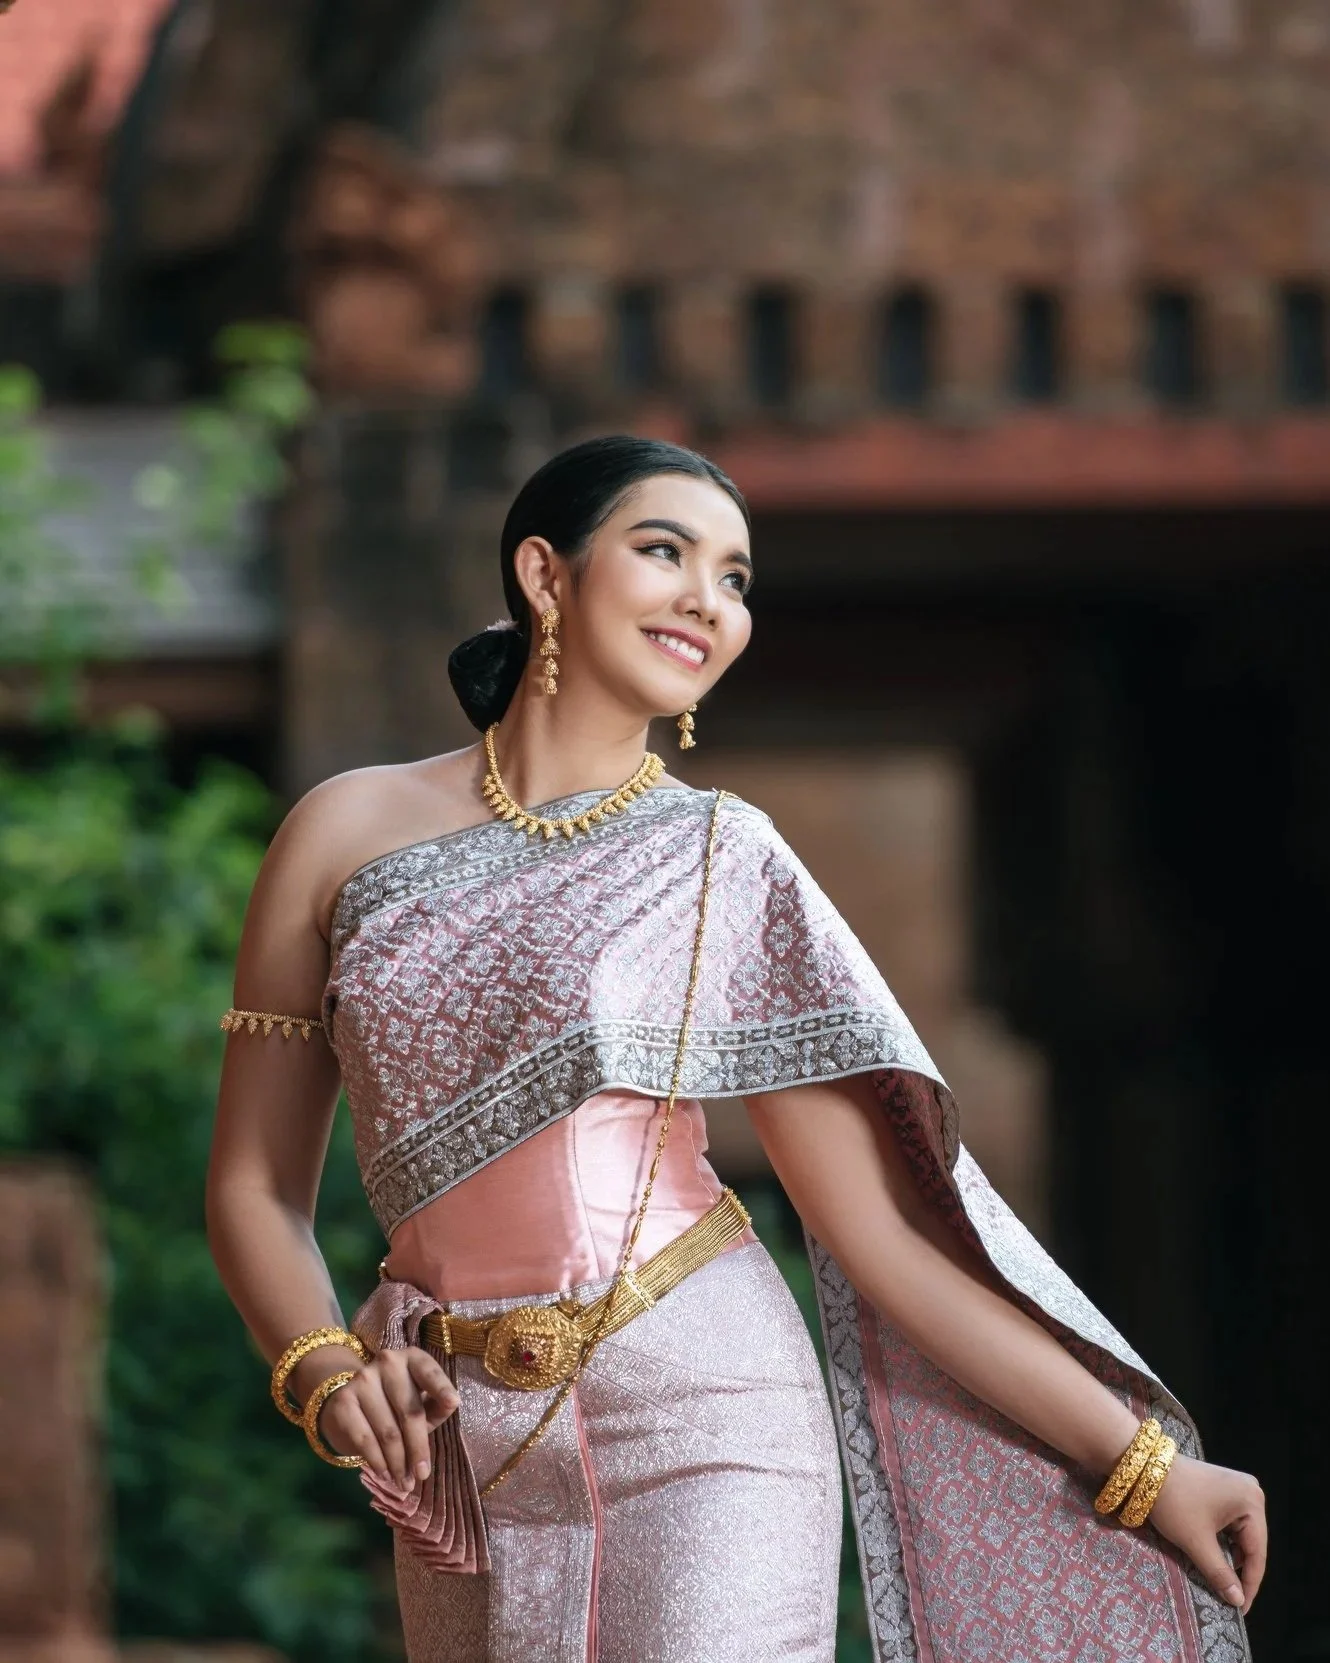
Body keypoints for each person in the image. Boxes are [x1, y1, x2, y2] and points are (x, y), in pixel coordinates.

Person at [206, 435, 1265, 1662]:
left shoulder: (723, 857)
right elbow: (252, 1188)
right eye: (665, 552)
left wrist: (1142, 1467)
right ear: (545, 575)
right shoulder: (339, 831)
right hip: (461, 1446)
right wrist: (327, 1371)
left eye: (737, 577)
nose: (708, 599)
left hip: (706, 1408)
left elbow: (877, 1235)